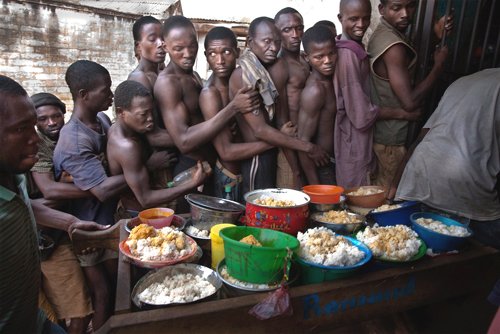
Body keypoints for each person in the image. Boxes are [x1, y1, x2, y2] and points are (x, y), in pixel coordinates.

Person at [390, 68, 500, 331]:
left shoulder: (465, 80)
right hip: (463, 183)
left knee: (419, 244)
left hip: (420, 173)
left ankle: (430, 299)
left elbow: (422, 136)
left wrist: (397, 182)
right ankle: (458, 297)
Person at [0, 74, 107, 333]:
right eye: (19, 129)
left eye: (31, 126)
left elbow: (25, 205)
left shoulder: (12, 176)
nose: (34, 138)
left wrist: (72, 223)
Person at [53, 60, 128, 330]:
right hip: (88, 230)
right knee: (103, 294)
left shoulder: (101, 121)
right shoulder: (73, 139)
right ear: (84, 95)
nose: (110, 95)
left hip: (107, 223)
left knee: (116, 288)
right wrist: (141, 172)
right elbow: (102, 189)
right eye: (105, 90)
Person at [154, 16, 259, 208]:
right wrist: (232, 109)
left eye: (192, 46)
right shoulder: (167, 83)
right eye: (178, 49)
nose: (187, 54)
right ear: (165, 46)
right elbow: (184, 141)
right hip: (190, 172)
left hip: (211, 168)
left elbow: (205, 121)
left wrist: (224, 125)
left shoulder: (192, 75)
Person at [229, 17, 330, 194]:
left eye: (276, 42)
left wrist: (296, 170)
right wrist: (308, 147)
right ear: (250, 42)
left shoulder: (270, 71)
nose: (274, 48)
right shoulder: (244, 76)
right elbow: (260, 130)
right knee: (258, 212)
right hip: (256, 159)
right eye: (266, 42)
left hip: (273, 151)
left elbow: (283, 124)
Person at [334, 0, 419, 188]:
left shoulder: (354, 49)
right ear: (340, 18)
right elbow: (361, 114)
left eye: (365, 18)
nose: (361, 25)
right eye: (354, 19)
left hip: (360, 138)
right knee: (357, 196)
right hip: (353, 139)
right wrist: (401, 113)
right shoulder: (347, 57)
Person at [367, 0, 450, 188]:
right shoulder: (393, 45)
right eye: (396, 8)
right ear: (382, 9)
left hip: (386, 134)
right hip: (391, 139)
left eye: (410, 6)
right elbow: (410, 102)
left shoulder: (386, 33)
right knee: (386, 197)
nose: (405, 13)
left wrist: (436, 37)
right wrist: (438, 66)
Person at [29, 92, 93, 334]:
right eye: (43, 119)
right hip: (46, 238)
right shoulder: (37, 146)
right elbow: (47, 192)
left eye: (56, 116)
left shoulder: (71, 138)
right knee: (64, 309)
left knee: (76, 307)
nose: (51, 122)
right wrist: (95, 187)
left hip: (60, 233)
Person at [199, 27, 278, 202]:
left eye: (226, 52)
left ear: (237, 52)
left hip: (248, 169)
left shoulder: (243, 80)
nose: (219, 60)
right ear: (206, 56)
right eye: (212, 54)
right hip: (230, 177)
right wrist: (275, 141)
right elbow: (226, 152)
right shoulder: (210, 94)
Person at [107, 80, 210, 211]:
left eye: (151, 112)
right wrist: (193, 183)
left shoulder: (127, 128)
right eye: (143, 114)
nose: (150, 118)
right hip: (140, 214)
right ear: (121, 112)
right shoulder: (126, 147)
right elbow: (146, 199)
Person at [297, 25, 337, 185]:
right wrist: (315, 187)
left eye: (331, 54)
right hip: (322, 169)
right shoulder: (315, 90)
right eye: (319, 57)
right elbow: (303, 142)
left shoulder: (333, 80)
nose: (327, 61)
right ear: (307, 57)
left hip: (335, 163)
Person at [274, 7, 309, 189]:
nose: (295, 34)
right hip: (290, 151)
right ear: (277, 33)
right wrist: (295, 170)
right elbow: (282, 125)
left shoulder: (305, 60)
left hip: (307, 144)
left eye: (299, 28)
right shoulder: (280, 66)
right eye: (287, 30)